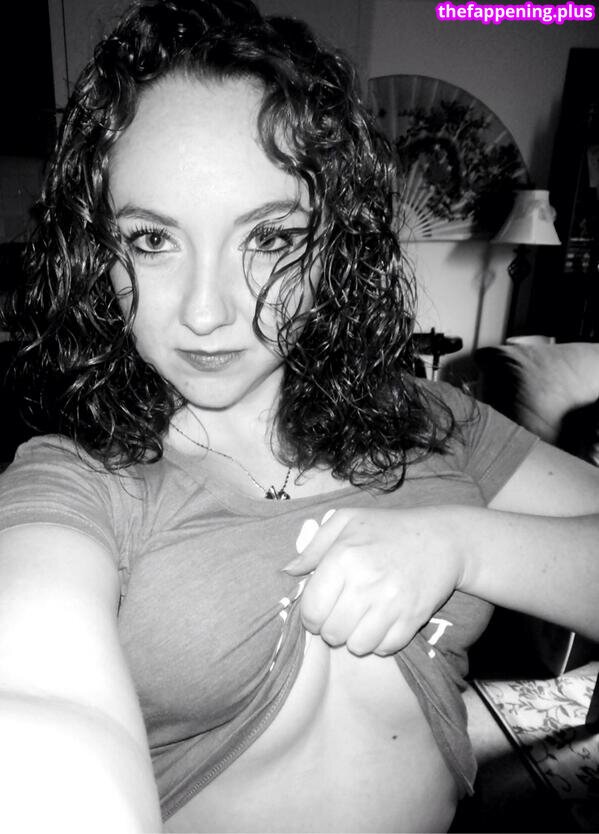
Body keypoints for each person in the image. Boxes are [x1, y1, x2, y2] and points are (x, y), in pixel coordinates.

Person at [0, 1, 598, 831]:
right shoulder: (76, 478)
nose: (206, 311)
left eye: (270, 239)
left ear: (331, 246)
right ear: (99, 253)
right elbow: (35, 702)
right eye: (152, 240)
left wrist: (462, 542)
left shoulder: (423, 413)